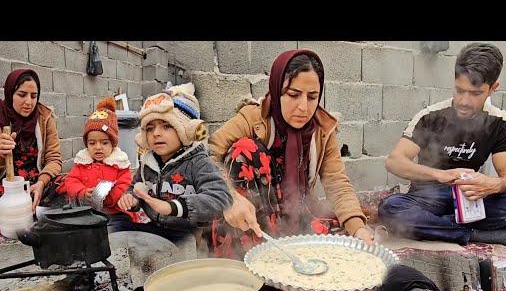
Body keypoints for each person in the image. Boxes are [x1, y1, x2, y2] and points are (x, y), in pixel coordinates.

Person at [209, 49, 373, 259]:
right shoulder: (253, 117)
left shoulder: (322, 129)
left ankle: (285, 245)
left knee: (347, 245)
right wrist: (230, 199)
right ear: (277, 90)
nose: (304, 107)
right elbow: (207, 156)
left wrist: (358, 228)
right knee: (245, 149)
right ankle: (249, 255)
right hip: (252, 218)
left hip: (297, 212)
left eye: (312, 97)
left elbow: (337, 182)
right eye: (293, 95)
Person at [378, 43, 506, 248]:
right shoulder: (431, 116)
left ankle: (440, 228)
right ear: (454, 81)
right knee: (391, 208)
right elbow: (394, 162)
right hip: (427, 198)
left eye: (475, 93)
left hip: (471, 199)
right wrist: (441, 176)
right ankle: (475, 234)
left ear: (493, 88)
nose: (464, 101)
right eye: (459, 90)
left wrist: (491, 185)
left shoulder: (499, 122)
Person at [114, 83, 233, 244]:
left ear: (187, 130)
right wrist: (132, 198)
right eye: (150, 128)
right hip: (157, 228)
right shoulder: (148, 162)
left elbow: (221, 198)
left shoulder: (198, 163)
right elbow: (136, 186)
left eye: (167, 126)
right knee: (116, 226)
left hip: (189, 235)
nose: (156, 133)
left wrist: (173, 207)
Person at [56, 97, 136, 221]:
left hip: (115, 212)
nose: (98, 147)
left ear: (113, 143)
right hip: (88, 211)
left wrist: (111, 198)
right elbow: (71, 180)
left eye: (104, 143)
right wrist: (82, 192)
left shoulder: (119, 164)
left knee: (118, 230)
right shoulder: (82, 163)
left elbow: (125, 184)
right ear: (86, 144)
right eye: (92, 143)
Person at [0, 69, 62, 210]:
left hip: (37, 183)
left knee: (67, 186)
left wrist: (41, 183)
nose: (29, 102)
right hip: (7, 187)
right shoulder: (1, 116)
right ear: (10, 94)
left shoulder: (45, 118)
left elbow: (54, 158)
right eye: (22, 95)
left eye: (34, 96)